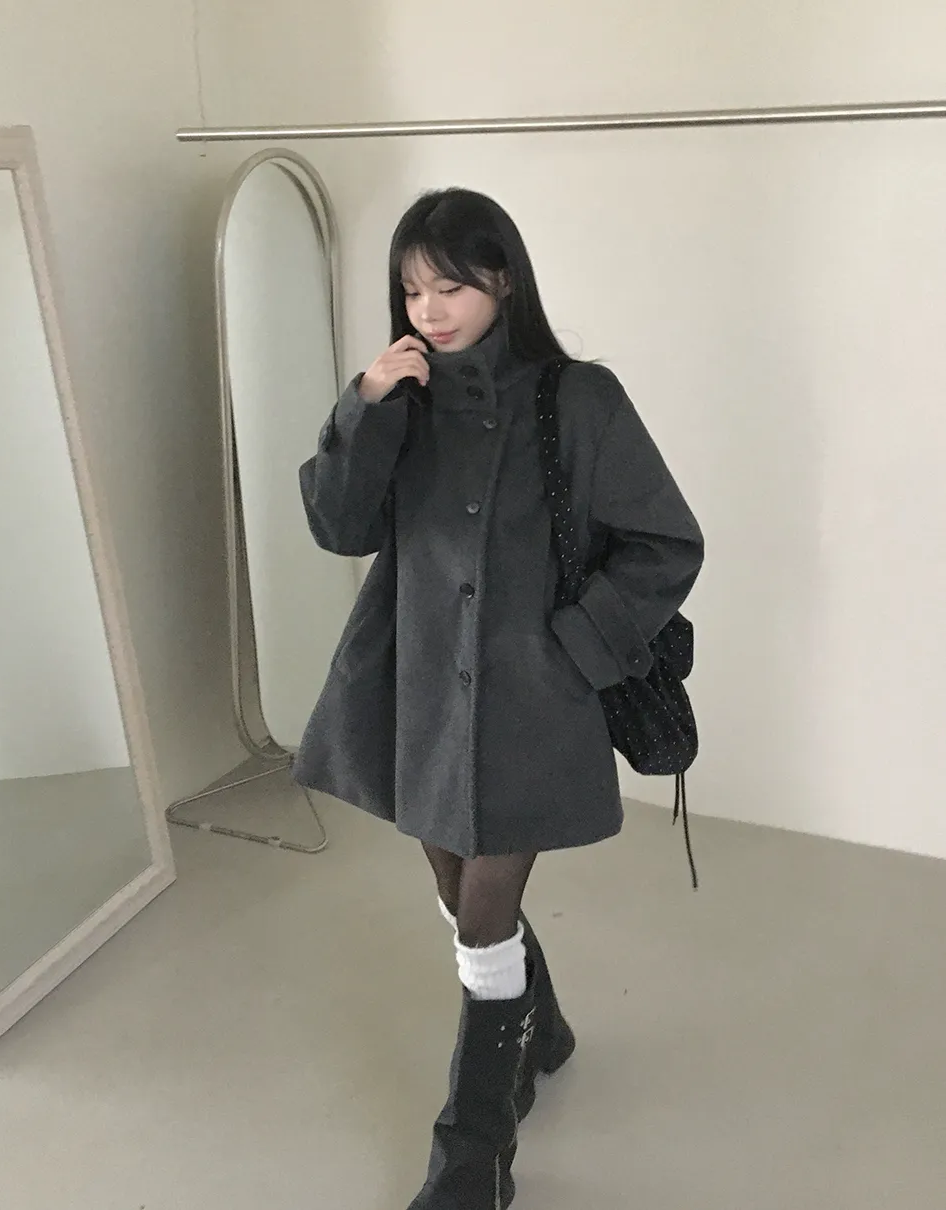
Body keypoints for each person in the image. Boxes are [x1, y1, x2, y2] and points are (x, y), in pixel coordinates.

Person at [295, 187, 704, 1209]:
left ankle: (471, 1152)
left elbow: (665, 542)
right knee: (456, 891)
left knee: (481, 921)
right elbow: (340, 529)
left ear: (505, 280)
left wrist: (575, 650)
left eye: (451, 285)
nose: (429, 309)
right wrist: (365, 404)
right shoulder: (401, 398)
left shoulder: (580, 398)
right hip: (419, 689)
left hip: (533, 697)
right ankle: (542, 1027)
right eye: (411, 290)